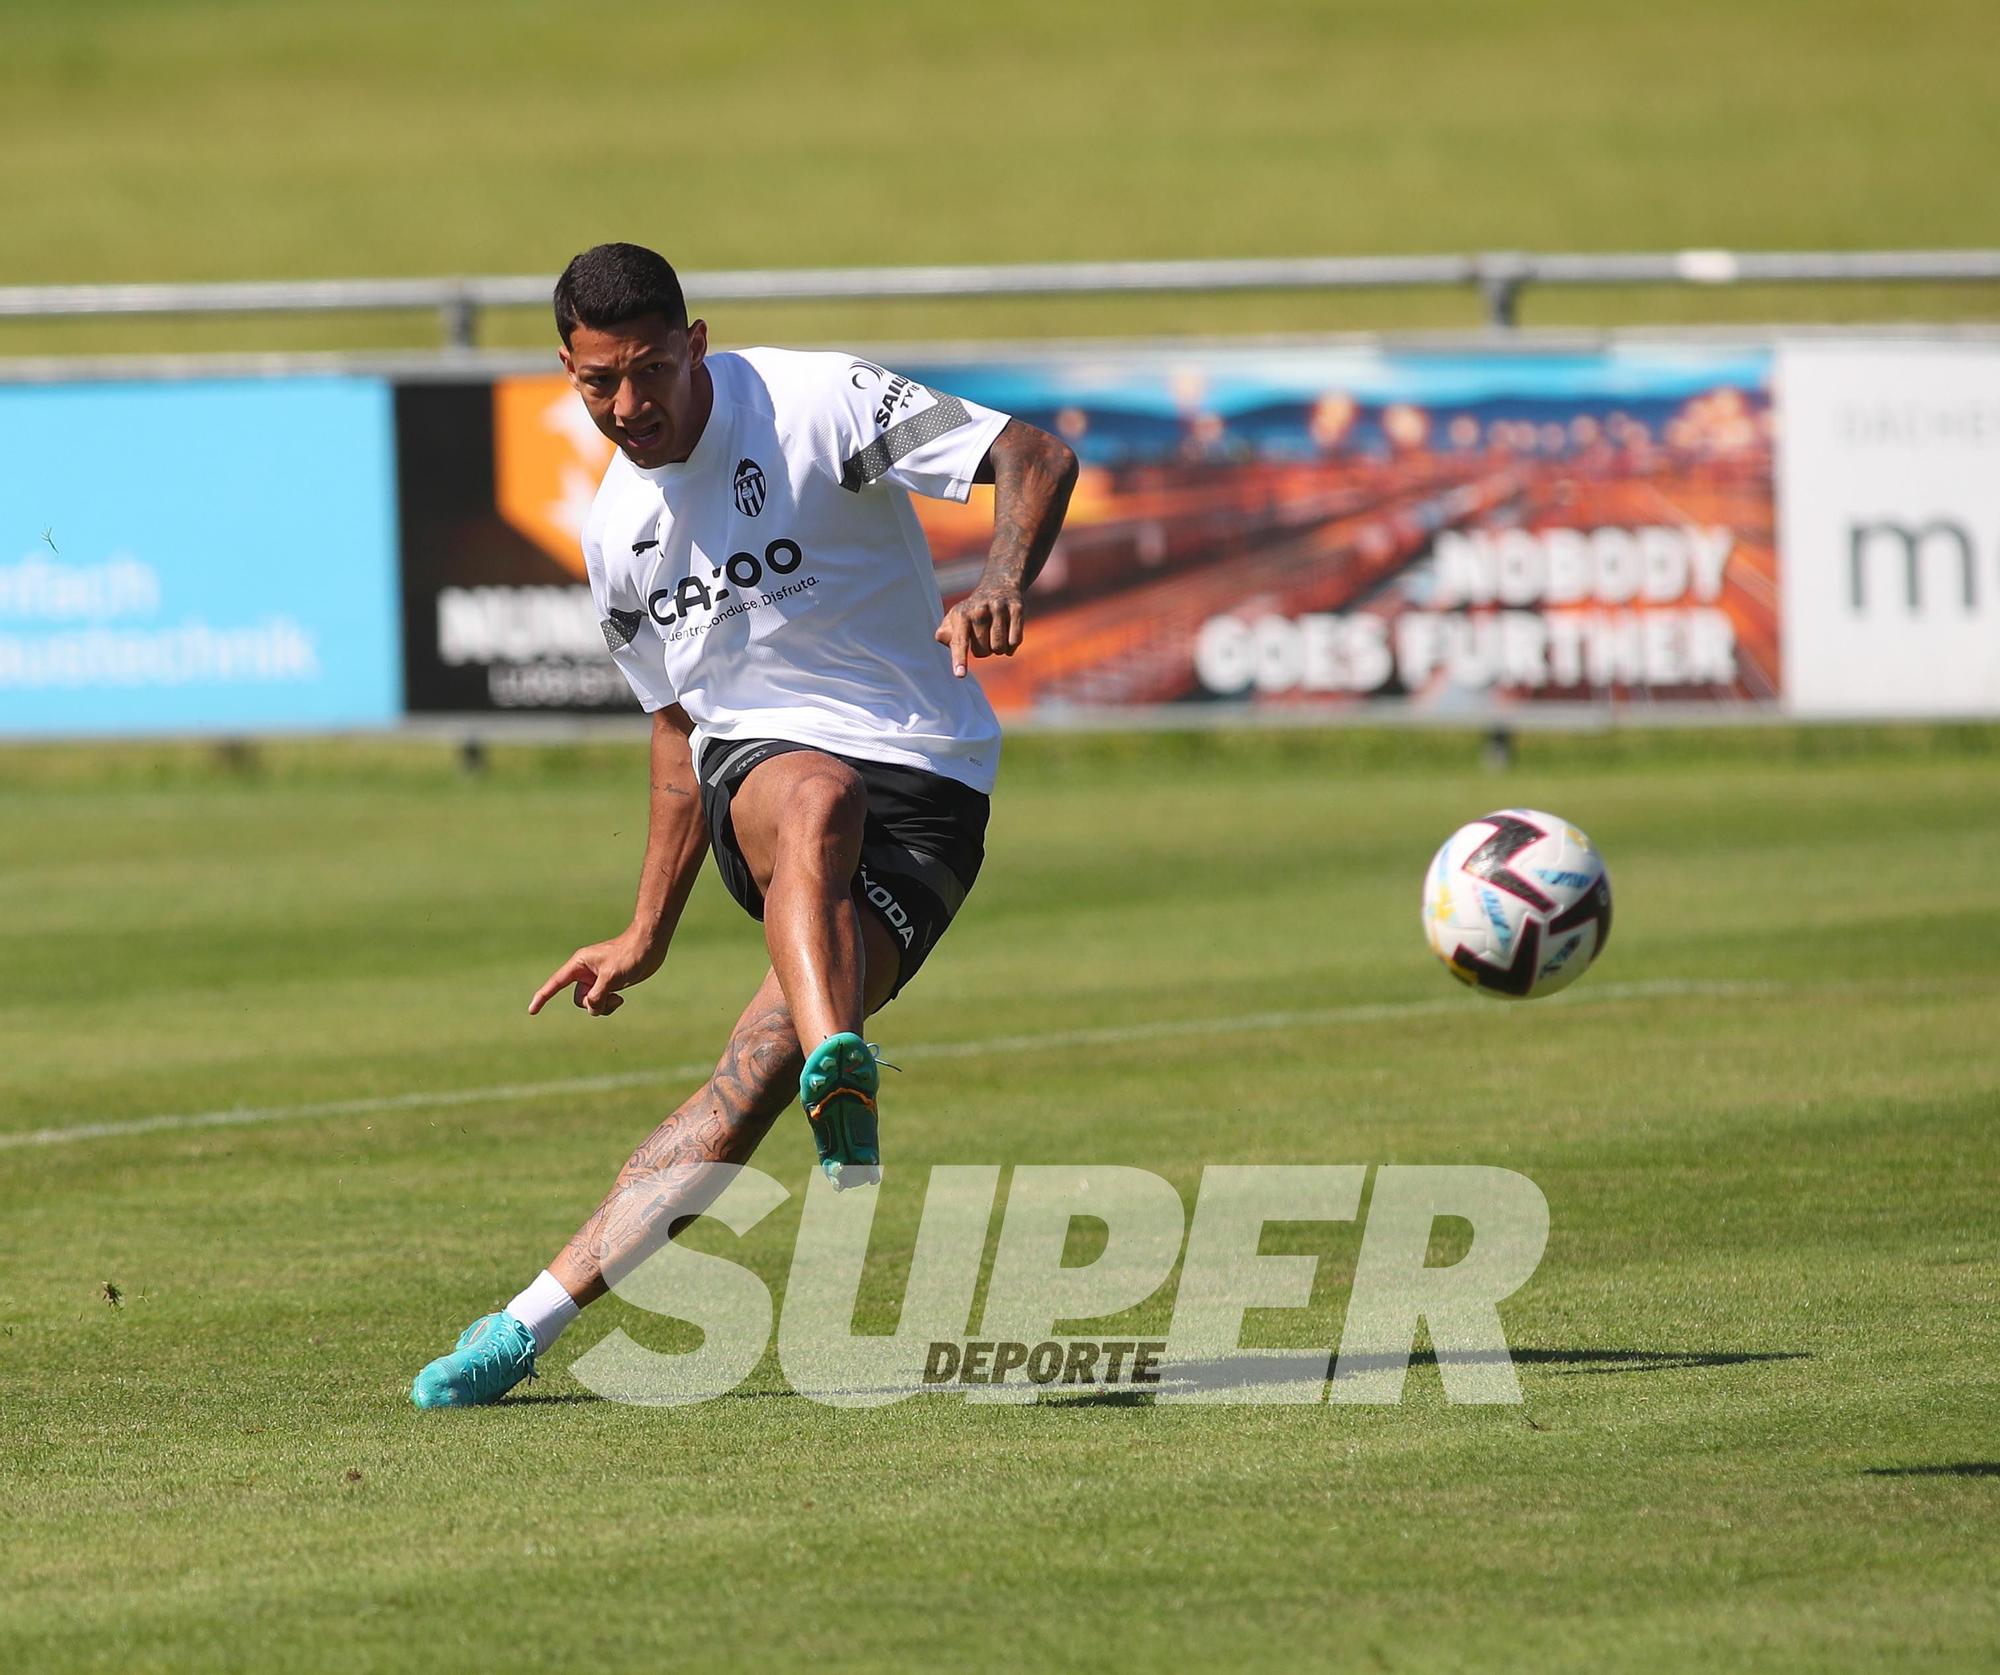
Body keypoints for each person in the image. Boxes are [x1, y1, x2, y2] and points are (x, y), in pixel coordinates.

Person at [411, 242, 1077, 1407]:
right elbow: (677, 739)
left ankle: (520, 1323)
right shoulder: (615, 534)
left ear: (696, 344)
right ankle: (843, 1060)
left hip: (936, 789)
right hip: (765, 774)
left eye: (650, 370)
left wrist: (1004, 580)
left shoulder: (819, 402)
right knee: (817, 792)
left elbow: (1033, 453)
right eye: (597, 383)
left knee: (747, 1075)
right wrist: (645, 928)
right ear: (564, 370)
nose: (629, 405)